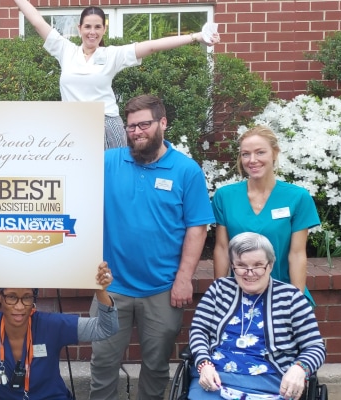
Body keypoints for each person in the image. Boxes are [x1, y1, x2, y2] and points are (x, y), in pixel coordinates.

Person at [90, 94, 215, 400]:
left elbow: (197, 227)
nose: (137, 132)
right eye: (131, 126)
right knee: (102, 362)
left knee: (157, 365)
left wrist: (184, 278)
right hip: (111, 287)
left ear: (162, 123)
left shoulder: (186, 170)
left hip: (162, 288)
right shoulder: (108, 162)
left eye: (143, 124)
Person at [13, 1, 220, 149]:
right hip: (73, 126)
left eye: (97, 27)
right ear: (79, 28)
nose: (92, 32)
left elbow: (151, 47)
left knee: (111, 182)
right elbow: (37, 22)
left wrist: (196, 36)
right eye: (87, 26)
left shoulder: (112, 54)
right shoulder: (65, 50)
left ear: (104, 29)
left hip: (106, 124)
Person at [0, 262, 118, 399]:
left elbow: (105, 328)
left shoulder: (51, 325)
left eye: (27, 297)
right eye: (11, 297)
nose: (19, 306)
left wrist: (101, 291)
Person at [189, 232, 326, 400]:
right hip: (215, 379)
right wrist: (204, 364)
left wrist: (299, 368)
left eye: (258, 265)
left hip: (271, 383)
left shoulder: (291, 297)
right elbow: (199, 330)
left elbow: (315, 347)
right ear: (232, 266)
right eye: (241, 265)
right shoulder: (219, 290)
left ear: (270, 265)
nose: (250, 272)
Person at [212, 125, 320, 304]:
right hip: (239, 295)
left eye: (260, 152)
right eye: (246, 154)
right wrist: (220, 296)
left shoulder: (297, 197)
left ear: (275, 153)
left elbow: (297, 254)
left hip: (282, 295)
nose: (252, 160)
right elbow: (222, 249)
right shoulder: (225, 196)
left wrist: (296, 302)